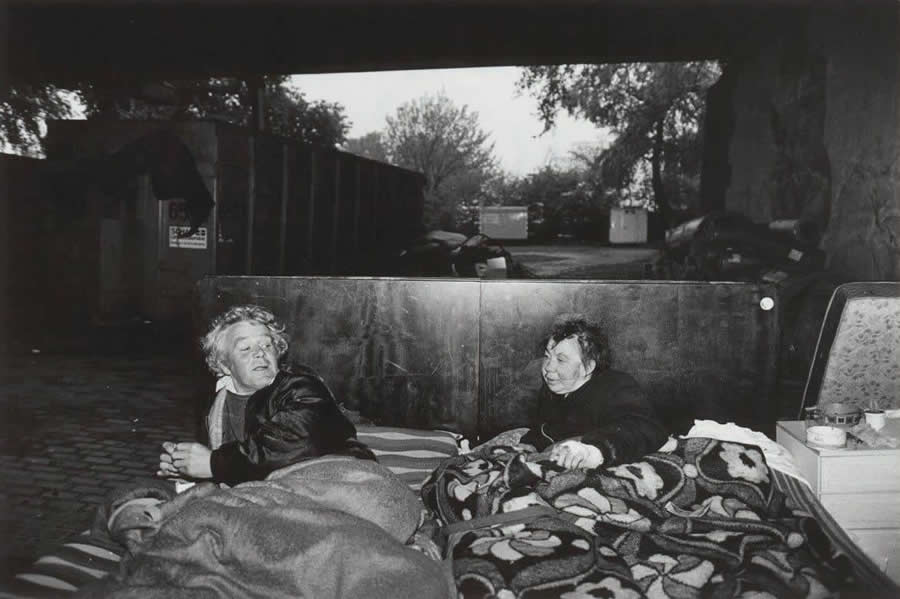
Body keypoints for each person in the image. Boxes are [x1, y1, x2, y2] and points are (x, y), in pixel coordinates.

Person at [158, 304, 374, 487]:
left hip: (343, 481)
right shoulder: (216, 403)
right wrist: (187, 469)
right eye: (245, 348)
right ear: (224, 364)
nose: (260, 353)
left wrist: (213, 464)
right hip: (276, 494)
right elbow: (237, 470)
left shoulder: (301, 386)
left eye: (266, 344)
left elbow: (292, 444)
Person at [520, 314, 667, 470]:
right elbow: (545, 431)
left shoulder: (617, 386)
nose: (548, 367)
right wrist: (528, 445)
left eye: (561, 360)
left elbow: (641, 427)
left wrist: (593, 451)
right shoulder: (553, 388)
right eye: (547, 356)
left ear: (588, 367)